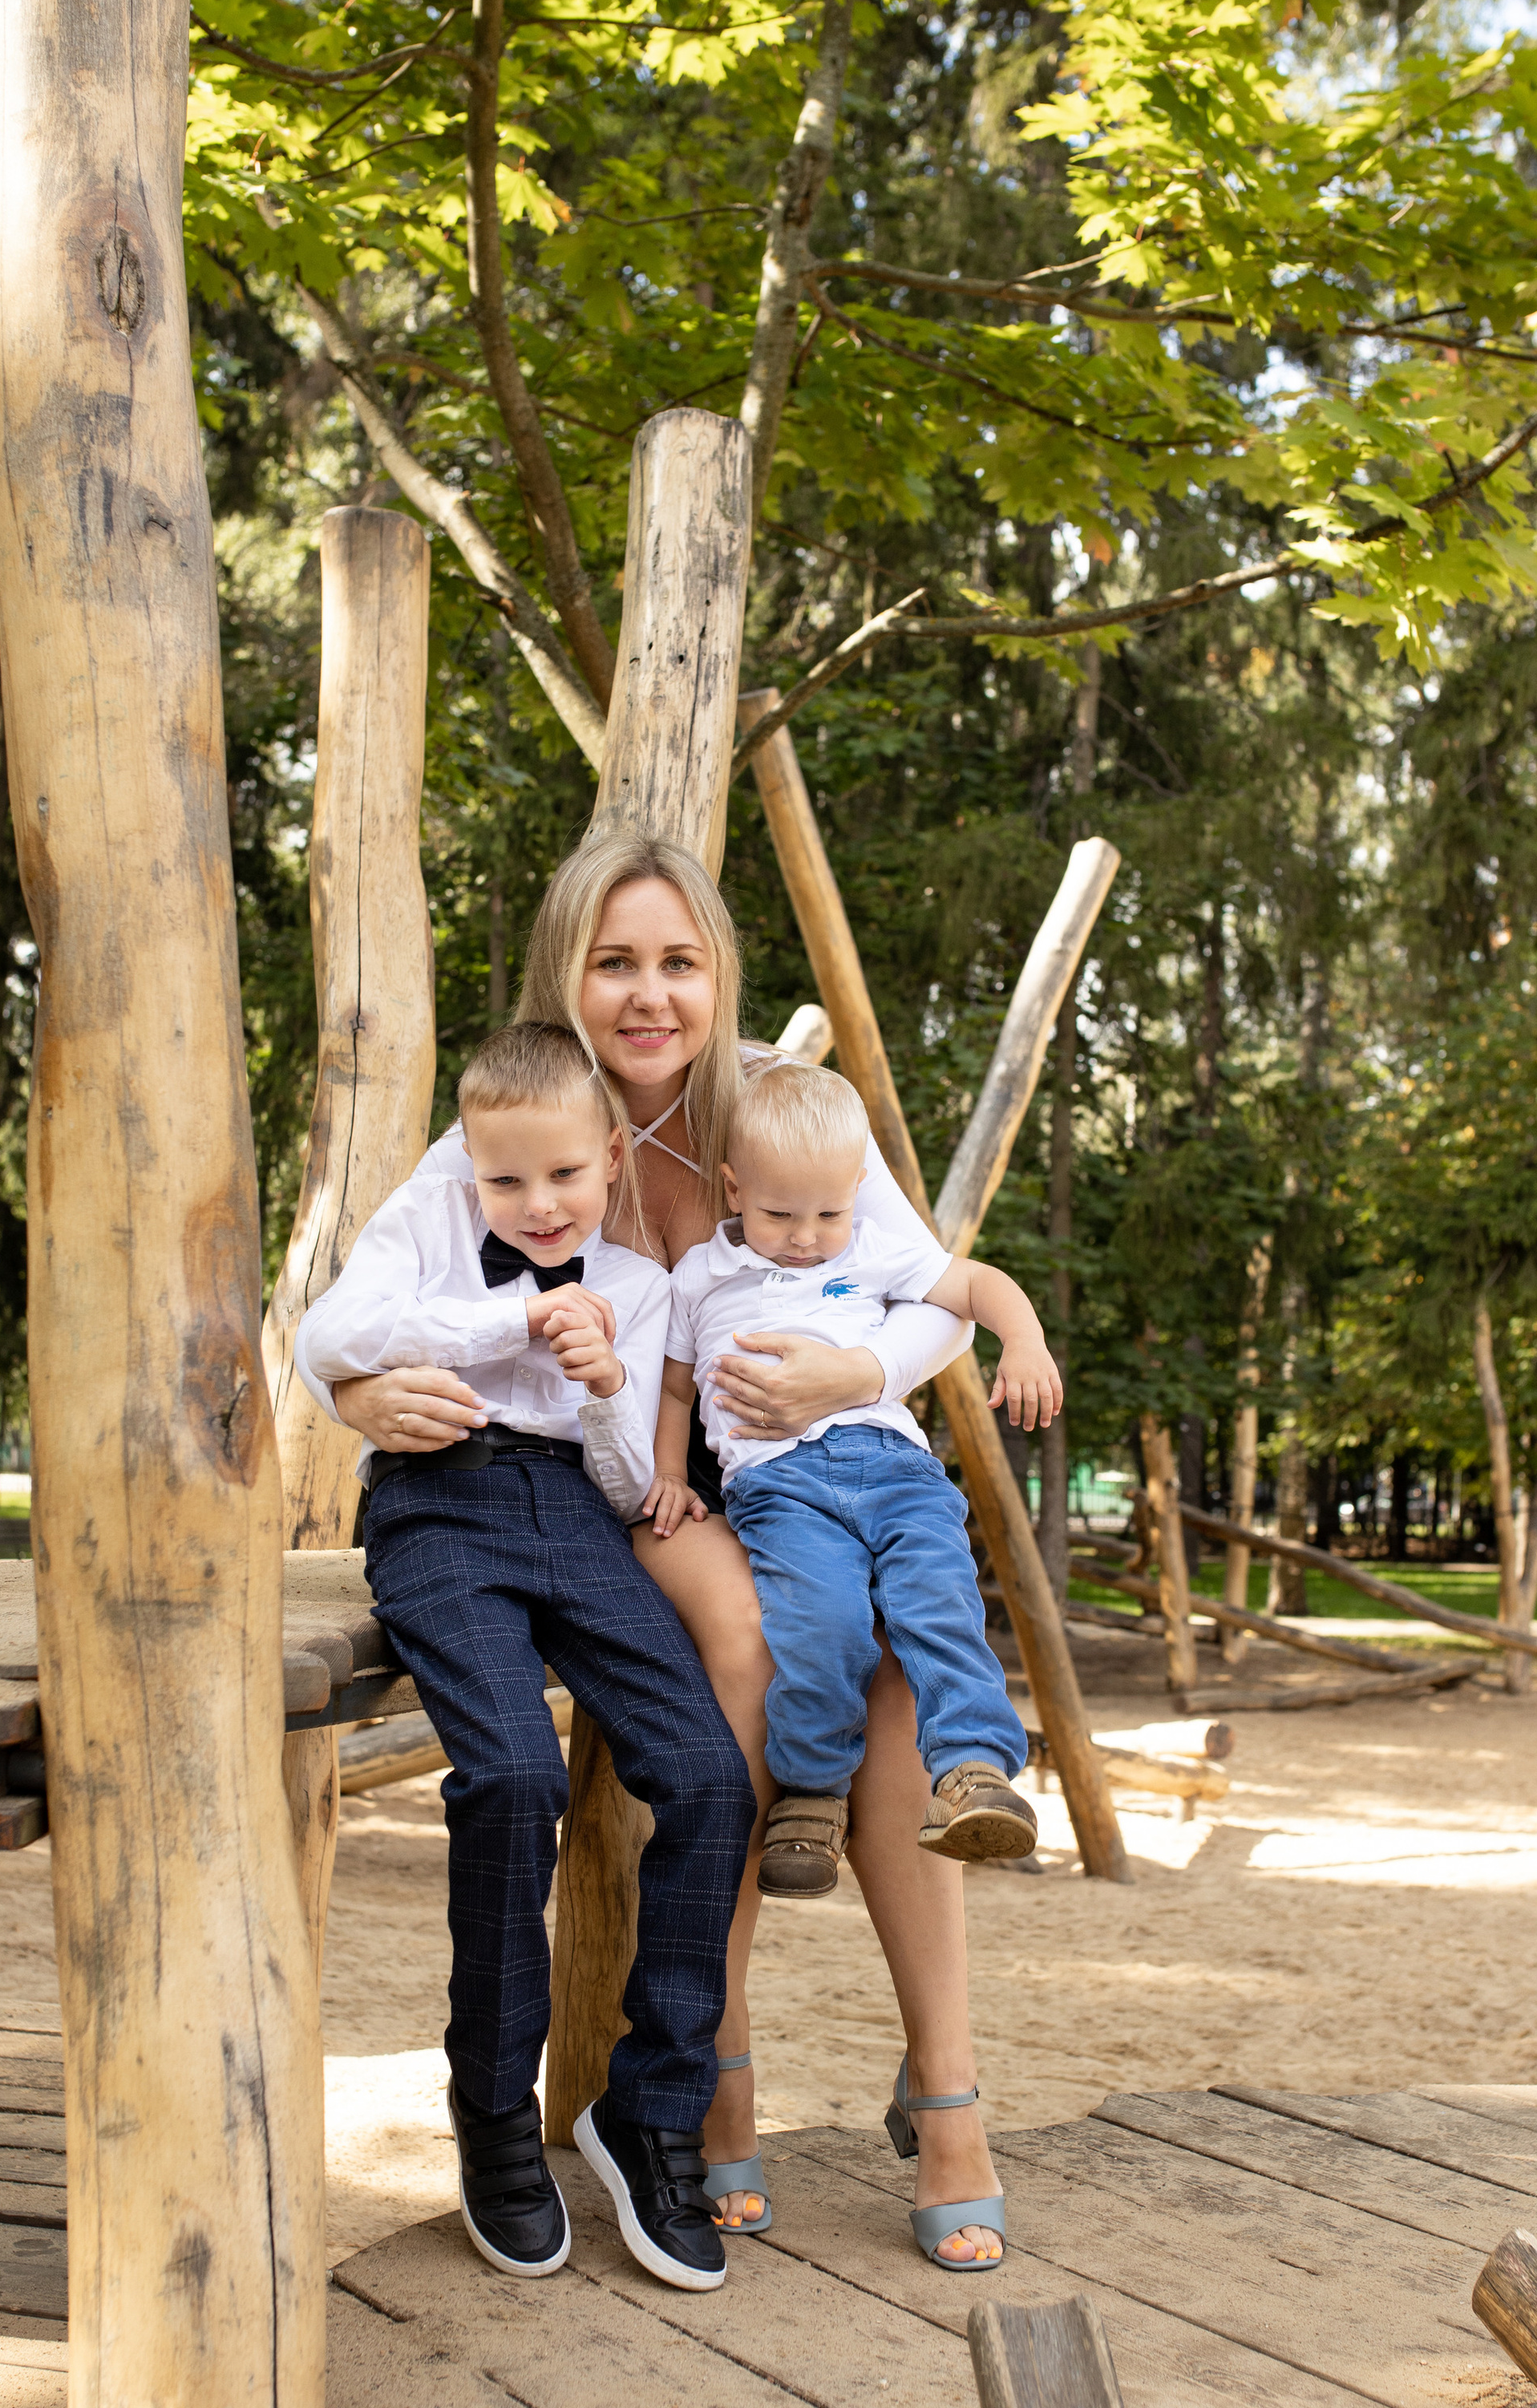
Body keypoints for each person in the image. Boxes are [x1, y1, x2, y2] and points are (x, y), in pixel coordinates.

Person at [332, 830, 1017, 2271]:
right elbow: (384, 1305)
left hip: (811, 1454)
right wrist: (350, 1393)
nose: (651, 996)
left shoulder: (777, 1108)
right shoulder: (512, 1129)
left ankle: (946, 2083)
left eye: (680, 963)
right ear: (564, 977)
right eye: (615, 962)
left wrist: (850, 1379)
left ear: (721, 977)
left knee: (899, 1671)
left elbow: (930, 1296)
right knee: (748, 1656)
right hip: (631, 1482)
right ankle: (715, 2074)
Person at [295, 1022, 753, 2297]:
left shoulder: (640, 1286)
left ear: (610, 1157)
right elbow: (330, 1333)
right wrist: (505, 1321)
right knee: (512, 1776)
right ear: (471, 1174)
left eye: (563, 1177)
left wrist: (607, 1385)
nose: (538, 1205)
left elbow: (620, 1479)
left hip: (578, 1519)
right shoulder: (435, 1225)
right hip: (437, 1508)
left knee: (712, 1782)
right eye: (508, 1183)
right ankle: (494, 2112)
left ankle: (647, 2111)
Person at [645, 1059, 1054, 1905]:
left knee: (936, 1604)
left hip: (895, 1467)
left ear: (856, 1191)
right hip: (779, 1488)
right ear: (732, 1188)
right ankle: (812, 1795)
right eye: (779, 1214)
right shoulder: (700, 1277)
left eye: (828, 1212)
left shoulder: (868, 1250)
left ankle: (974, 1769)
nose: (805, 1236)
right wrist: (668, 1473)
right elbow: (676, 1387)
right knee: (820, 1626)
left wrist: (1025, 1341)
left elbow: (974, 1284)